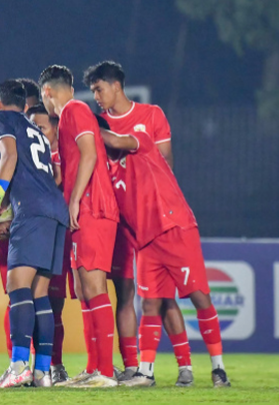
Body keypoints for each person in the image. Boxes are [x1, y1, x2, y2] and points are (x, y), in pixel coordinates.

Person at [99, 120, 231, 388]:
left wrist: (87, 128)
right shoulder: (109, 172)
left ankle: (219, 369)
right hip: (146, 241)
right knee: (151, 304)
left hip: (175, 229)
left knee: (199, 297)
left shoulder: (139, 142)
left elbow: (115, 141)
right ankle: (146, 372)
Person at [84, 61, 193, 386]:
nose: (97, 97)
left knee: (162, 296)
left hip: (152, 220)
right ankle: (133, 366)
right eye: (93, 92)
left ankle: (185, 366)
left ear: (116, 85)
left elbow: (166, 165)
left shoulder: (151, 116)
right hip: (116, 222)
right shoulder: (97, 122)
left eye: (99, 89)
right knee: (122, 292)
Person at [0, 80, 69, 388]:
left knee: (17, 285)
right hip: (58, 211)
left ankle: (19, 366)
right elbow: (54, 173)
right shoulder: (37, 130)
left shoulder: (1, 119)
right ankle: (43, 371)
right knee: (40, 292)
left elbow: (8, 157)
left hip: (32, 212)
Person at [38, 65, 119, 388]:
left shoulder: (75, 109)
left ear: (47, 93)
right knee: (85, 291)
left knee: (94, 287)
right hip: (84, 210)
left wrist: (74, 200)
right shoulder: (72, 115)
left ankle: (107, 372)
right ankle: (93, 367)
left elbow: (89, 155)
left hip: (92, 207)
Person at [27, 104, 70, 384]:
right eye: (33, 128)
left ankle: (55, 364)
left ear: (55, 129)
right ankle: (34, 364)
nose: (37, 133)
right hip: (35, 232)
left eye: (41, 127)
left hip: (60, 236)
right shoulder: (31, 157)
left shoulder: (64, 156)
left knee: (55, 305)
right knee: (30, 300)